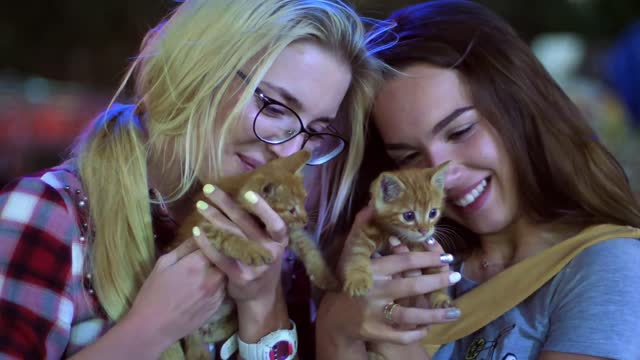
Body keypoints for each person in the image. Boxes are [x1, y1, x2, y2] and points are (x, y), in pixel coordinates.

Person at [0, 0, 385, 359]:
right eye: (274, 106)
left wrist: (263, 305)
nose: (289, 152)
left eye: (315, 132)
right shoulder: (49, 215)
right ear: (196, 68)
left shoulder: (277, 251)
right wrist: (149, 330)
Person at [316, 1, 640, 359]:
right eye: (408, 156)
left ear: (521, 109)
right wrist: (336, 327)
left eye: (461, 130)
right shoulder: (408, 264)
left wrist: (371, 339)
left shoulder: (608, 267)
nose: (444, 171)